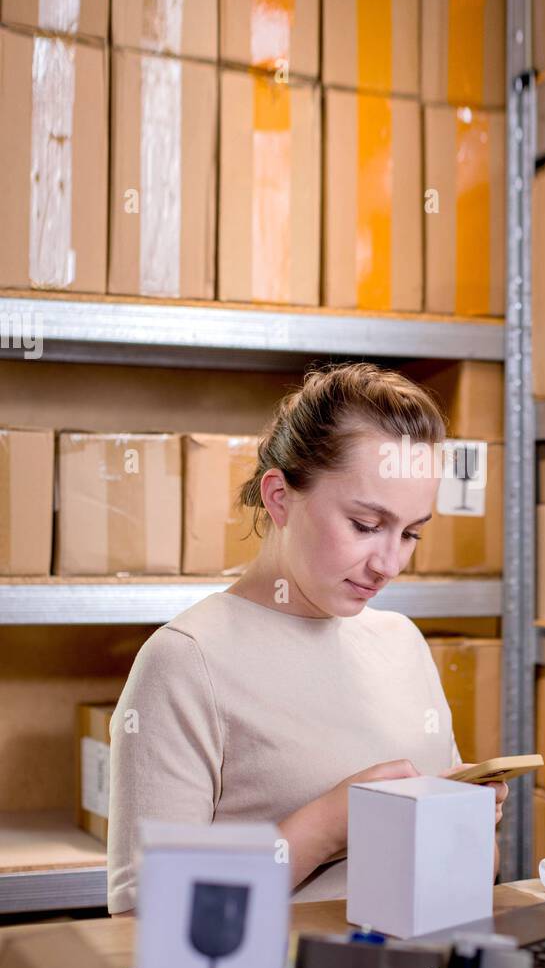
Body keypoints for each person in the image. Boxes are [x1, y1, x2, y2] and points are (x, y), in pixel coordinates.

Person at [107, 361, 508, 915]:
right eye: (366, 525)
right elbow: (144, 920)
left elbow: (474, 878)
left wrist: (463, 825)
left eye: (411, 533)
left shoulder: (401, 642)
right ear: (279, 498)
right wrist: (326, 828)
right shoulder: (186, 661)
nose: (389, 563)